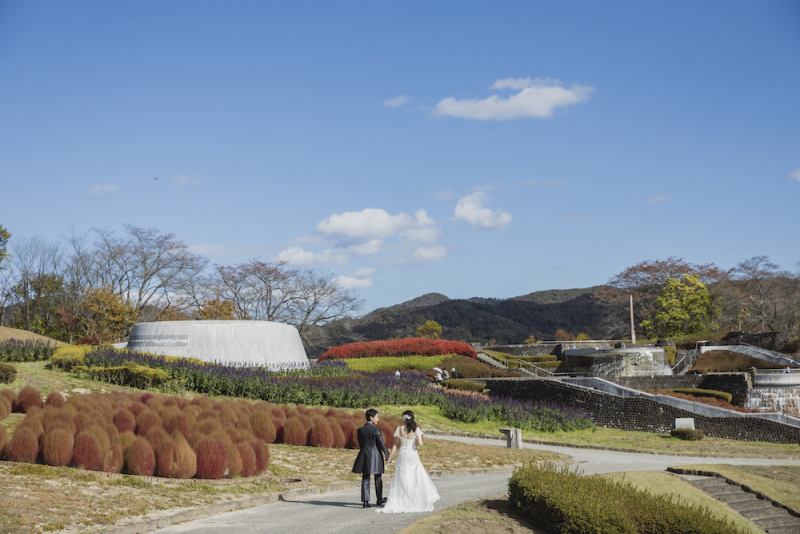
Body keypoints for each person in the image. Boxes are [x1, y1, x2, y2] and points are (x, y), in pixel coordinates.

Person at [376, 410, 440, 513]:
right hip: (412, 454)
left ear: (404, 419)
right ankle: (413, 498)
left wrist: (389, 456)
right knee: (414, 476)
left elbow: (396, 445)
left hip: (402, 454)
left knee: (402, 476)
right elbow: (420, 443)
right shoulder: (416, 429)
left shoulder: (400, 429)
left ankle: (402, 498)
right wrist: (415, 448)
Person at [352, 408, 390, 508]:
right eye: (376, 417)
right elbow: (381, 443)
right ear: (371, 417)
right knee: (378, 478)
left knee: (365, 478)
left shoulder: (360, 430)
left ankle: (365, 502)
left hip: (365, 454)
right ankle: (379, 499)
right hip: (376, 455)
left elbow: (361, 444)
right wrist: (387, 455)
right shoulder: (376, 429)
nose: (378, 419)